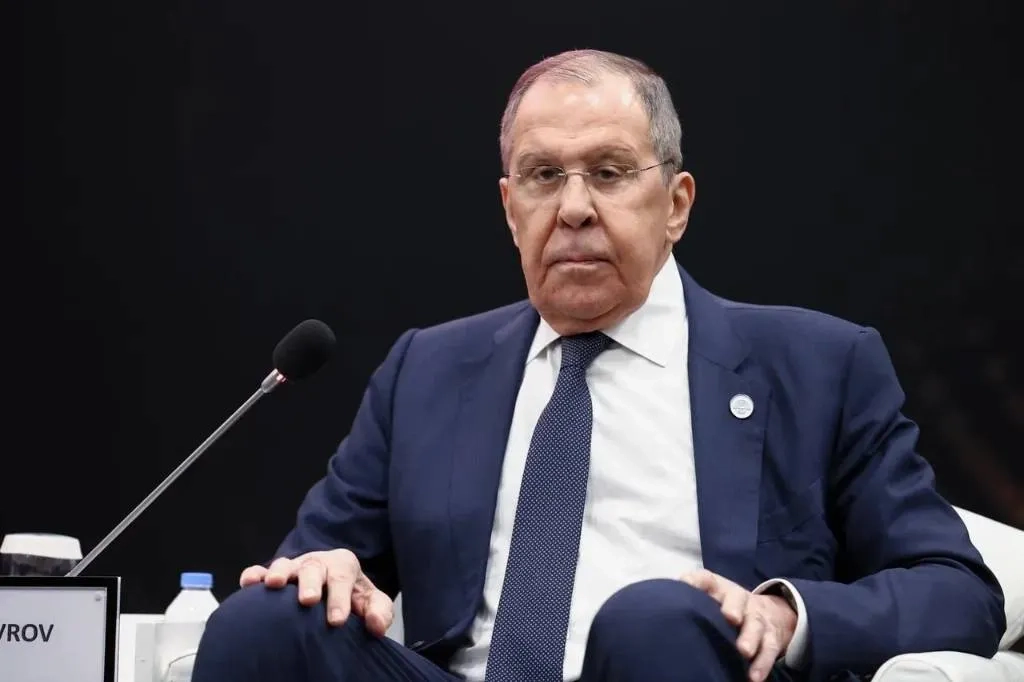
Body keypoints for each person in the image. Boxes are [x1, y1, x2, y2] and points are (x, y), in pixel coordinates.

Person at [191, 49, 1005, 682]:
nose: (574, 208)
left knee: (654, 620)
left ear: (676, 204)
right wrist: (327, 570)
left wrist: (788, 617)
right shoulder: (428, 370)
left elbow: (958, 590)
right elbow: (322, 562)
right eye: (544, 177)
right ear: (510, 209)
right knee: (263, 624)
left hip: (672, 665)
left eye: (609, 174)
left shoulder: (818, 366)